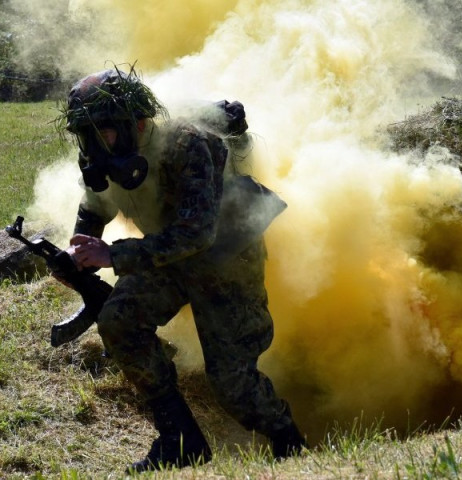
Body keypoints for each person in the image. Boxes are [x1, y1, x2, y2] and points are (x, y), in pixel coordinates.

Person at [59, 67, 306, 473]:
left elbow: (195, 236)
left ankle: (289, 443)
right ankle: (180, 441)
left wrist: (113, 256)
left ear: (136, 124)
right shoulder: (103, 153)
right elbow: (94, 205)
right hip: (166, 255)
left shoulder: (190, 142)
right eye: (86, 134)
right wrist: (78, 250)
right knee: (119, 321)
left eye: (102, 131)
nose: (93, 143)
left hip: (225, 256)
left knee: (231, 385)